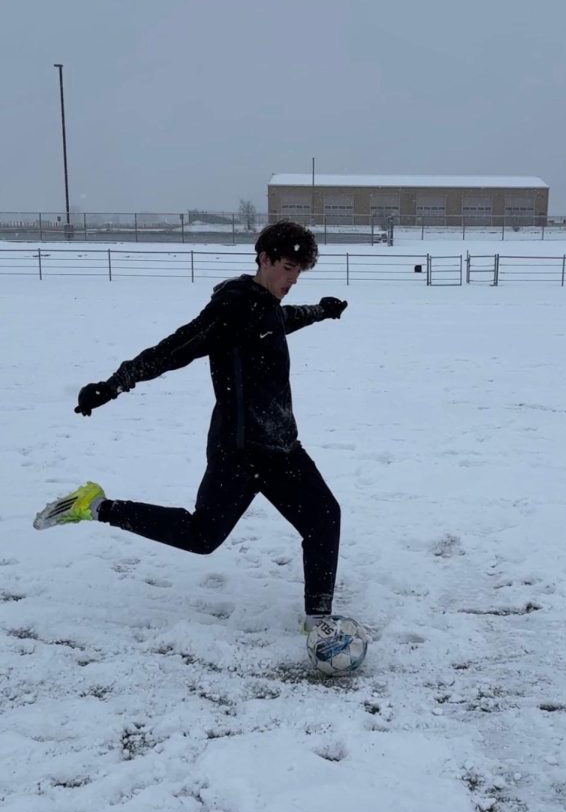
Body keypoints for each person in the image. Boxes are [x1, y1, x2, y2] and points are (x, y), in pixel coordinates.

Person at [33, 220, 348, 631]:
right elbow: (174, 348)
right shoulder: (232, 306)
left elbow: (278, 320)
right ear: (264, 258)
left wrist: (319, 312)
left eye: (300, 270)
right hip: (239, 451)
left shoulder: (264, 302)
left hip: (283, 447)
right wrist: (114, 384)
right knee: (202, 537)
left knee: (324, 517)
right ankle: (93, 505)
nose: (293, 278)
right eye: (288, 267)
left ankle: (319, 620)